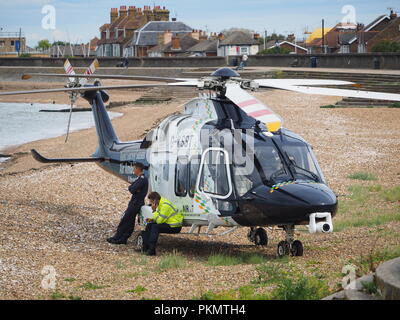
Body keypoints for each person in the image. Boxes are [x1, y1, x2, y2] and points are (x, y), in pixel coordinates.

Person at [107, 162, 148, 245]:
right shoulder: (140, 179)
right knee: (130, 221)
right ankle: (122, 238)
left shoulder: (142, 179)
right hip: (135, 202)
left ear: (137, 169)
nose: (133, 170)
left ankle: (118, 237)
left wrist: (134, 189)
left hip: (135, 203)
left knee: (126, 220)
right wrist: (134, 189)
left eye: (134, 168)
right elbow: (131, 188)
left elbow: (132, 189)